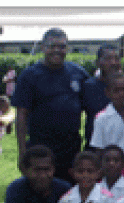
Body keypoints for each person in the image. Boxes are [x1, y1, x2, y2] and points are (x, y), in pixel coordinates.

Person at [11, 28, 89, 183]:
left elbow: (91, 105)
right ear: (43, 48)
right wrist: (22, 153)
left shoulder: (78, 73)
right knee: (41, 194)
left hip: (71, 148)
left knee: (69, 194)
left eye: (61, 46)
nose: (57, 50)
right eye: (52, 46)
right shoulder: (29, 76)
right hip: (40, 149)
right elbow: (21, 115)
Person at [82, 44, 124, 150]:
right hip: (98, 149)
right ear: (98, 63)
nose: (113, 63)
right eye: (108, 59)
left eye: (116, 59)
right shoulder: (88, 86)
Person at [90, 71, 124, 182]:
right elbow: (99, 149)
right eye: (116, 90)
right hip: (111, 168)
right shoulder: (101, 118)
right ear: (107, 92)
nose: (121, 94)